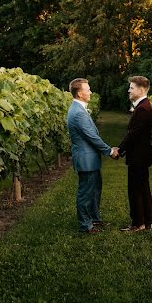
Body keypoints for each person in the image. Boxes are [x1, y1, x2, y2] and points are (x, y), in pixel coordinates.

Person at [67, 78, 118, 234]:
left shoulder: (79, 109)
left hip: (90, 159)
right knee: (86, 194)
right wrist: (109, 151)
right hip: (86, 160)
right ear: (80, 93)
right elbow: (92, 137)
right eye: (88, 89)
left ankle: (94, 219)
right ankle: (85, 225)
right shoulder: (78, 112)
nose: (90, 92)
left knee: (94, 191)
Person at [118, 76, 152, 232]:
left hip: (138, 157)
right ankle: (147, 222)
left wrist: (119, 150)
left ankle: (138, 223)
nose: (129, 90)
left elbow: (133, 134)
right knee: (143, 189)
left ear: (140, 90)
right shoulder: (143, 106)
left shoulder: (143, 109)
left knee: (136, 190)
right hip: (140, 156)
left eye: (131, 88)